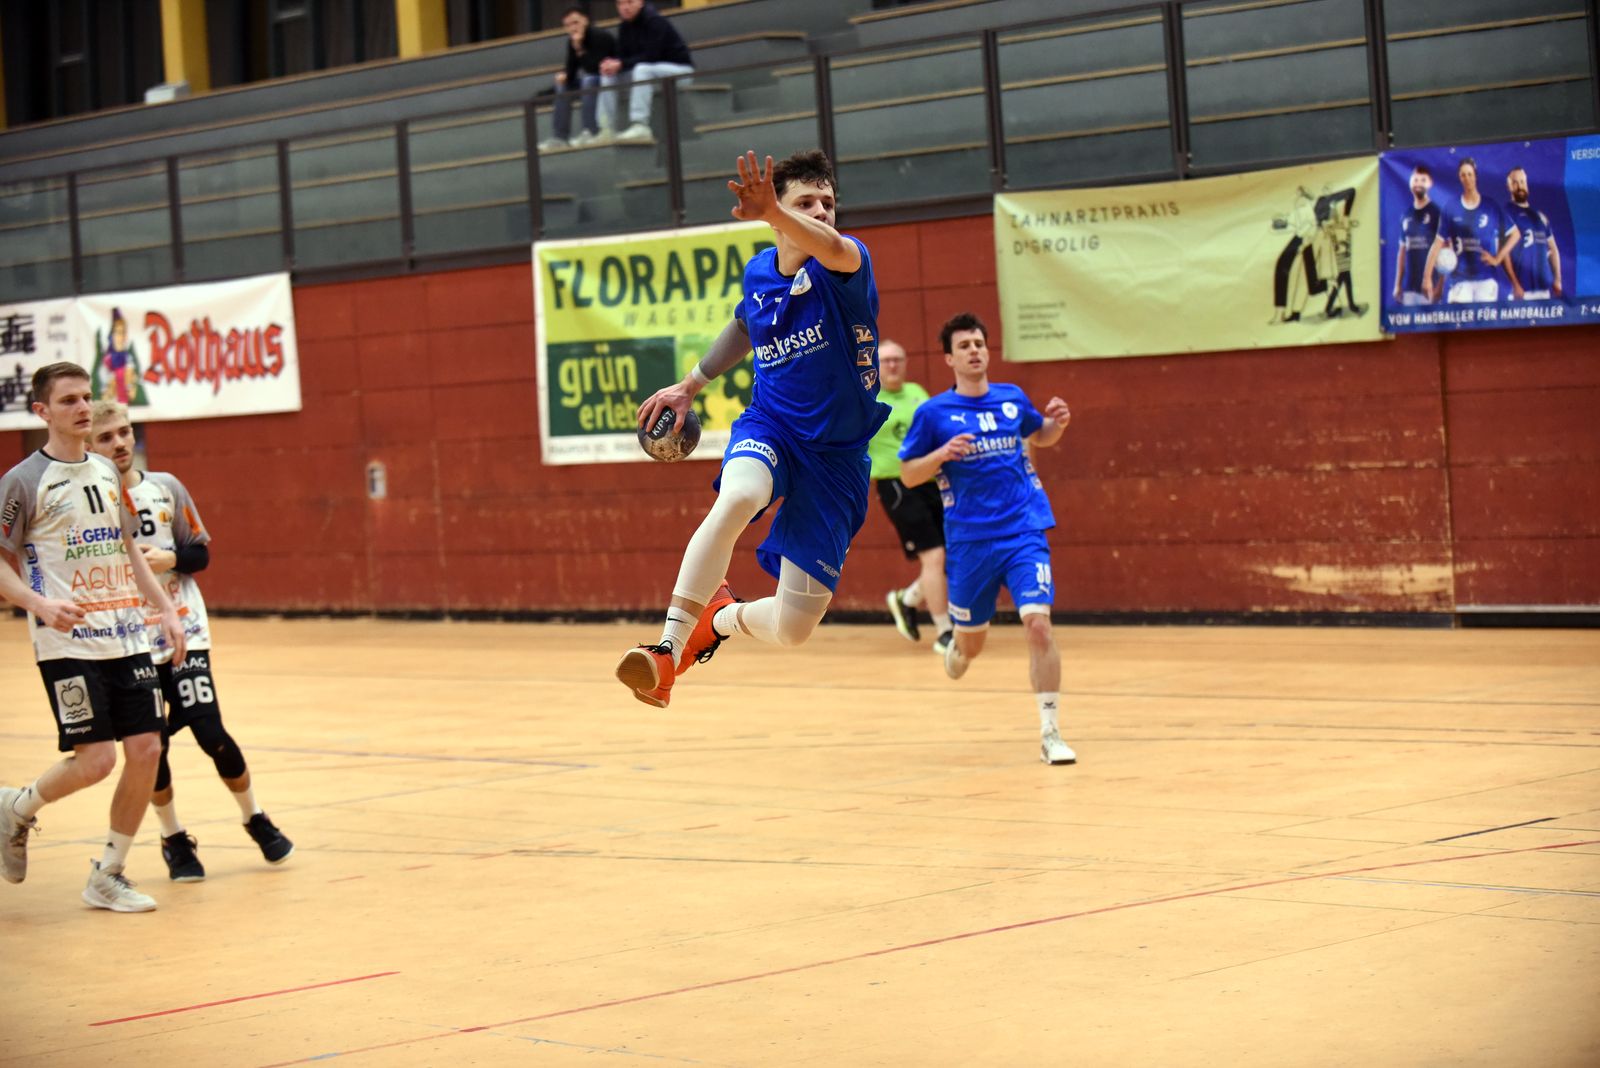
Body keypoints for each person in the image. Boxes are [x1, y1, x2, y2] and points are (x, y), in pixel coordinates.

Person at [616, 149, 886, 707]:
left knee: (793, 627)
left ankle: (721, 618)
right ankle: (666, 651)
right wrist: (691, 384)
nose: (822, 211)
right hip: (773, 426)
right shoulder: (760, 271)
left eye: (828, 202)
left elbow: (830, 246)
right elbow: (745, 324)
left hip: (837, 459)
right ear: (779, 211)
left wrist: (777, 213)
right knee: (739, 496)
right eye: (805, 203)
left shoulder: (848, 263)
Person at [0, 362, 186, 912]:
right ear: (42, 411)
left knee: (148, 748)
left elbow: (129, 551)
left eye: (86, 397)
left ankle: (108, 873)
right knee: (96, 761)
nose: (83, 408)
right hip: (67, 642)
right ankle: (17, 808)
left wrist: (166, 610)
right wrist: (38, 604)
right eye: (69, 401)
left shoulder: (107, 471)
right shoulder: (23, 482)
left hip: (127, 636)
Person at [88, 401, 293, 882]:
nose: (119, 443)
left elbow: (200, 554)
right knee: (152, 747)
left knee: (209, 730)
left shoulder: (166, 487)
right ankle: (174, 837)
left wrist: (171, 559)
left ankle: (255, 817)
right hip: (130, 639)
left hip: (184, 628)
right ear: (89, 446)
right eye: (106, 437)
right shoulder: (88, 505)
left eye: (125, 432)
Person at [898, 313, 1076, 766]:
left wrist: (1057, 424)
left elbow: (1041, 434)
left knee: (1038, 624)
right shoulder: (933, 413)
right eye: (964, 346)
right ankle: (959, 648)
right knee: (971, 646)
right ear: (949, 359)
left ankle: (1051, 732)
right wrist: (942, 454)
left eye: (979, 343)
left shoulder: (1012, 398)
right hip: (970, 543)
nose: (974, 351)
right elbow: (909, 473)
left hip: (1023, 530)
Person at [869, 338, 952, 654]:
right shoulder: (866, 399)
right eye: (886, 360)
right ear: (875, 365)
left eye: (898, 359)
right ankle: (944, 631)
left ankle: (908, 599)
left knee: (950, 554)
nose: (892, 365)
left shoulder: (917, 392)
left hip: (930, 481)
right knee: (934, 556)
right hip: (895, 485)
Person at [599, 0, 694, 146]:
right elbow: (623, 58)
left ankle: (640, 124)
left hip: (680, 72)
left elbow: (651, 56)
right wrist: (611, 64)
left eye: (629, 2)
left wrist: (621, 63)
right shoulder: (624, 26)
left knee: (642, 69)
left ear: (640, 2)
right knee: (609, 76)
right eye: (620, 4)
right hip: (652, 75)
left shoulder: (654, 21)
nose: (625, 7)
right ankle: (606, 128)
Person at [1424, 157, 1505, 304]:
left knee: (1484, 319)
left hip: (1486, 279)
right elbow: (1438, 243)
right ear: (1459, 178)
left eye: (1470, 174)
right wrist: (1427, 277)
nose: (1467, 178)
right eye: (1463, 175)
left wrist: (1497, 259)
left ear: (1475, 176)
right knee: (1458, 317)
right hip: (1460, 279)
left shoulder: (1490, 206)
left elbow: (1513, 234)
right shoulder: (1451, 207)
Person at [539, 5, 618, 151]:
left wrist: (580, 49)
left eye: (576, 22)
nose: (573, 28)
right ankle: (560, 137)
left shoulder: (600, 36)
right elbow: (571, 72)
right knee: (562, 86)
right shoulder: (573, 42)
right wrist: (561, 78)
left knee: (588, 80)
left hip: (611, 78)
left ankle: (590, 131)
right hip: (592, 78)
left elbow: (595, 68)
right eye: (568, 25)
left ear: (585, 21)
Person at [1495, 166, 1562, 301]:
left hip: (1544, 290)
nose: (1520, 186)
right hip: (1521, 292)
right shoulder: (1506, 213)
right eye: (1515, 182)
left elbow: (1553, 249)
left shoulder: (1540, 216)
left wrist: (1557, 279)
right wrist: (1515, 283)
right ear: (1509, 187)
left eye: (1522, 181)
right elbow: (1502, 251)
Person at [1393, 164, 1442, 306]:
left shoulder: (1436, 212)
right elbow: (1402, 252)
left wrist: (1439, 287)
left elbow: (1445, 251)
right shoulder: (1406, 215)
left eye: (1423, 180)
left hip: (1429, 289)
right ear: (1410, 183)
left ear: (1430, 183)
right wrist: (1398, 284)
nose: (1418, 184)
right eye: (1415, 180)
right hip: (1409, 288)